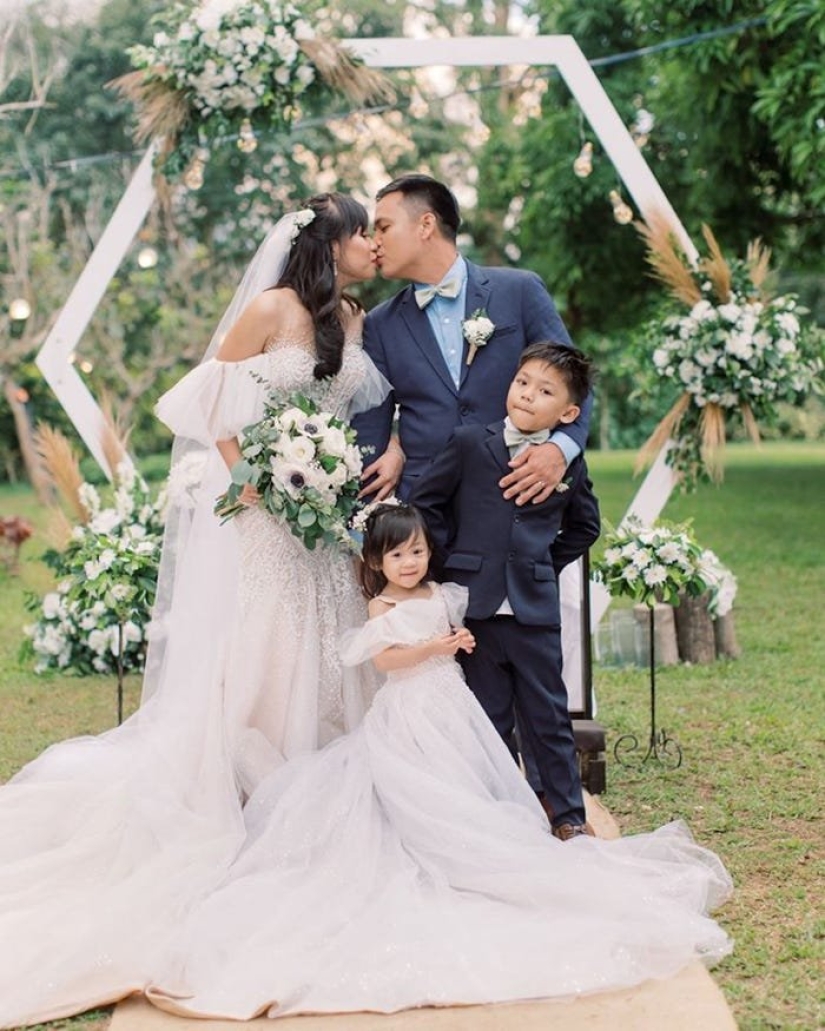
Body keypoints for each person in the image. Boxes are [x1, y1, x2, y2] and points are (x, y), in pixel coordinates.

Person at [0, 193, 390, 1028]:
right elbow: (208, 398)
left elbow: (351, 412)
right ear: (330, 241)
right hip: (262, 511)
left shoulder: (353, 317)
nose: (373, 244)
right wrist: (255, 470)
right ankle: (247, 795)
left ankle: (322, 793)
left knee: (326, 641)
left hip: (323, 520)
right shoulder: (268, 308)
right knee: (267, 644)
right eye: (364, 231)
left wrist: (330, 471)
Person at [142, 503, 732, 1020]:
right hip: (410, 710)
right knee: (414, 790)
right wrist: (435, 647)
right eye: (397, 555)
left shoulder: (439, 593)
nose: (410, 562)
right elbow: (388, 665)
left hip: (452, 708)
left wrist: (458, 642)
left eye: (418, 551)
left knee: (470, 780)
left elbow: (449, 633)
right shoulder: (380, 609)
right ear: (376, 562)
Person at [411, 343, 600, 839]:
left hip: (533, 612)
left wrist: (541, 564)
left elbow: (585, 528)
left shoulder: (566, 464)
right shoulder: (471, 442)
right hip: (475, 612)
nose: (528, 395)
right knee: (488, 718)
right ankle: (499, 815)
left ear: (569, 412)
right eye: (523, 383)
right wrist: (455, 563)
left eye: (545, 391)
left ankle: (568, 818)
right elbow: (427, 505)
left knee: (549, 717)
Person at [353, 173, 592, 504]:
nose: (374, 241)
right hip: (425, 510)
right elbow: (371, 430)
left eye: (383, 227)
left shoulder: (519, 291)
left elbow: (577, 384)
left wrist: (560, 449)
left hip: (517, 493)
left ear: (425, 225)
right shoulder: (379, 323)